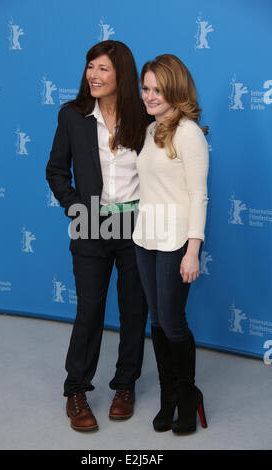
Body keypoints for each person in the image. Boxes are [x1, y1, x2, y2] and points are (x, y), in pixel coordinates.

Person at [46, 40, 149, 432]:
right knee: (89, 310)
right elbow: (56, 170)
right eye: (91, 67)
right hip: (92, 225)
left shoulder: (144, 115)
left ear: (120, 74)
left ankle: (125, 385)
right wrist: (78, 210)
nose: (93, 75)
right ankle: (76, 390)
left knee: (134, 310)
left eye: (103, 68)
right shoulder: (72, 115)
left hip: (137, 227)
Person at [132, 54, 209, 434]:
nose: (148, 96)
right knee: (158, 322)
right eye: (145, 89)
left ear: (174, 90)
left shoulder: (189, 133)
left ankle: (187, 396)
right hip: (146, 238)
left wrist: (193, 250)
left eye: (156, 90)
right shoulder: (150, 130)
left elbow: (198, 195)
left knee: (174, 323)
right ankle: (167, 397)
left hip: (177, 239)